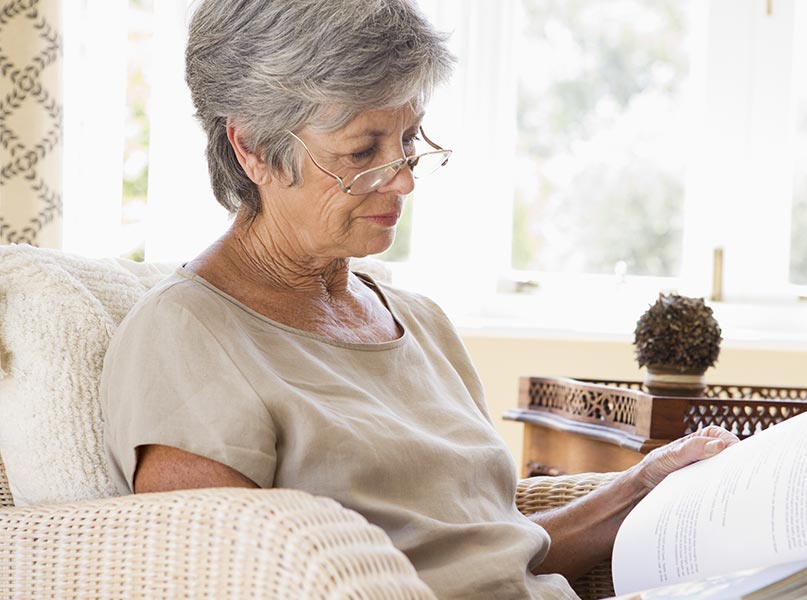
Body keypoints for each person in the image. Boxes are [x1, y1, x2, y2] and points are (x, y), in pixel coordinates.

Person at [99, 1, 739, 598]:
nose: (403, 178)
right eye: (363, 151)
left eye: (408, 140)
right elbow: (211, 577)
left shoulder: (421, 323)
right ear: (253, 150)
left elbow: (501, 555)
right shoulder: (185, 334)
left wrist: (639, 485)